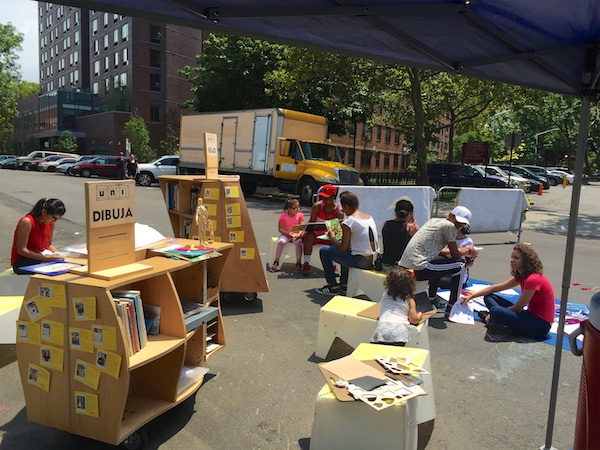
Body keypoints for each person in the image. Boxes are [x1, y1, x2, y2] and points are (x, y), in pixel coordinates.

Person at [462, 243, 555, 338]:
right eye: (512, 257)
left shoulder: (533, 279)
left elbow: (518, 307)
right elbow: (495, 288)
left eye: (516, 258)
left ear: (526, 261)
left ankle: (494, 320)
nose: (512, 260)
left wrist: (493, 314)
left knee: (496, 310)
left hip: (540, 326)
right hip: (529, 315)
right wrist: (473, 295)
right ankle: (497, 321)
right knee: (490, 297)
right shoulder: (522, 276)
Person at [398, 205, 478, 309]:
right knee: (460, 265)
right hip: (420, 266)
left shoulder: (434, 221)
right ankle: (453, 306)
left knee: (441, 261)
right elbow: (455, 254)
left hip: (407, 263)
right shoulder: (449, 226)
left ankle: (432, 297)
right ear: (450, 215)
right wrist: (469, 250)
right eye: (458, 222)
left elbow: (439, 251)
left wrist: (465, 251)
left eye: (462, 225)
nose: (459, 226)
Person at [317, 191, 378, 295]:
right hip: (374, 258)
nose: (343, 211)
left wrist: (332, 237)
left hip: (360, 261)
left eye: (343, 208)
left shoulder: (349, 222)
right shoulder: (368, 217)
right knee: (347, 252)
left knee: (324, 251)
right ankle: (344, 284)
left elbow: (342, 248)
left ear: (346, 206)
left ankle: (333, 285)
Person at [11, 198, 66, 274]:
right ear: (44, 212)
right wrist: (46, 258)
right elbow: (21, 250)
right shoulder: (27, 222)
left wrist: (58, 254)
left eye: (57, 219)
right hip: (24, 260)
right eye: (53, 218)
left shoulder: (51, 223)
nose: (54, 221)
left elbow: (48, 244)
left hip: (42, 255)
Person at [370, 268, 422, 346]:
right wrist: (420, 315)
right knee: (395, 354)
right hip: (399, 331)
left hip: (382, 328)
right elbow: (414, 319)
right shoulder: (409, 300)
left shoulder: (385, 295)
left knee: (380, 354)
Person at [301, 184, 344, 276]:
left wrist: (331, 233)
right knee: (309, 236)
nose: (324, 200)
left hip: (330, 234)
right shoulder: (317, 206)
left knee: (335, 239)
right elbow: (312, 222)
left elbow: (338, 230)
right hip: (316, 233)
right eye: (323, 197)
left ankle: (333, 265)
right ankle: (307, 263)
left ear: (333, 197)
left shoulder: (339, 211)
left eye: (327, 198)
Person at [380, 197, 419, 273]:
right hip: (401, 267)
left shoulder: (385, 224)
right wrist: (413, 219)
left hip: (386, 265)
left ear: (395, 211)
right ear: (410, 213)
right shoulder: (411, 228)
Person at [270, 199, 305, 273]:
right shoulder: (283, 216)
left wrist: (298, 234)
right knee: (281, 242)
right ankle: (276, 260)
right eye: (295, 208)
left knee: (298, 242)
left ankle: (298, 262)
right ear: (288, 208)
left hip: (296, 234)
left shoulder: (300, 216)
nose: (297, 209)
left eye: (298, 207)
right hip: (286, 234)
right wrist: (287, 234)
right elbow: (280, 229)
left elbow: (302, 228)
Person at [439, 223, 474, 289]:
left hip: (459, 271)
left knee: (445, 282)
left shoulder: (468, 241)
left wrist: (459, 268)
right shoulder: (448, 240)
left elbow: (470, 262)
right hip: (447, 270)